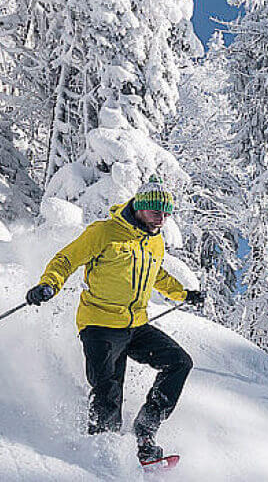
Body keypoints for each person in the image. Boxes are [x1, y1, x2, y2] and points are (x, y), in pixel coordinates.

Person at [25, 176, 205, 463]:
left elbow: (156, 273)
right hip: (99, 325)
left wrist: (183, 294)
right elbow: (66, 259)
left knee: (179, 362)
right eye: (156, 212)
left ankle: (145, 431)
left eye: (166, 214)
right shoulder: (105, 232)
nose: (161, 219)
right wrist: (49, 284)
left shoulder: (154, 241)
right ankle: (102, 453)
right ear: (139, 207)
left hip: (134, 325)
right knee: (109, 390)